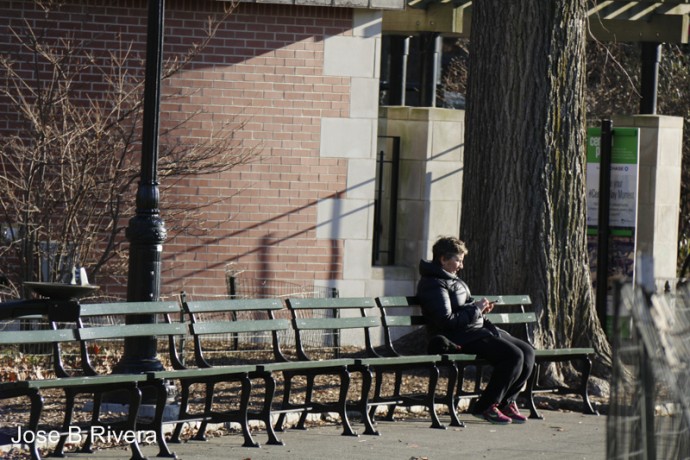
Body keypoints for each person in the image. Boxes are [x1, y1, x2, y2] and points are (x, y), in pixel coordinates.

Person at [416, 236, 535, 425]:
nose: (461, 265)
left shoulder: (453, 280)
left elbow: (465, 309)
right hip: (457, 337)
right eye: (458, 260)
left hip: (475, 331)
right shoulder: (433, 284)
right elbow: (446, 321)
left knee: (527, 352)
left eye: (462, 260)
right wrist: (476, 309)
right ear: (443, 259)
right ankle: (485, 406)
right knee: (513, 356)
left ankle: (506, 402)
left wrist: (480, 312)